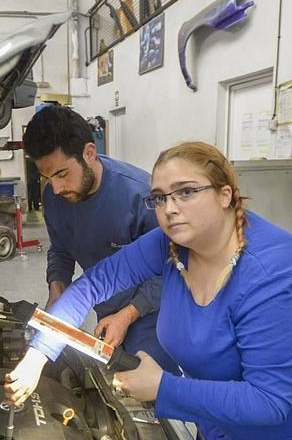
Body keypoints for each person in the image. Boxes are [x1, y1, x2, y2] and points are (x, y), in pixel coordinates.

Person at [5, 141, 292, 440]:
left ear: (225, 194)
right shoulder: (170, 245)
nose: (169, 208)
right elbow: (93, 285)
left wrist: (163, 388)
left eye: (185, 192)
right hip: (219, 427)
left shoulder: (274, 276)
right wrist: (39, 353)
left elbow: (269, 403)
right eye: (159, 197)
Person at [22, 104, 178, 375]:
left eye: (61, 173)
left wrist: (128, 314)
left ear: (89, 153)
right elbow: (61, 250)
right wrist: (57, 291)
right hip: (104, 308)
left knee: (151, 389)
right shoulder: (54, 197)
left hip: (154, 315)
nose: (55, 188)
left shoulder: (141, 196)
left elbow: (171, 269)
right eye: (47, 177)